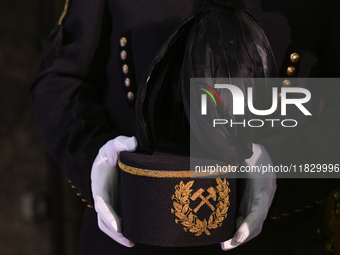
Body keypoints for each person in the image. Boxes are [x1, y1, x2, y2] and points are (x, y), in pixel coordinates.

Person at [30, 0, 340, 254]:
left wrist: (283, 163)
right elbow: (62, 80)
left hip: (278, 240)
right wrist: (91, 156)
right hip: (129, 234)